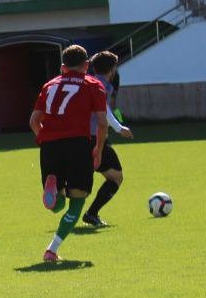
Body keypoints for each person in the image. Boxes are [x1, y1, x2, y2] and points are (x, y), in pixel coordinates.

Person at [30, 44, 109, 263]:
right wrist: (98, 149)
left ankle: (54, 194)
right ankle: (51, 250)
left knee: (58, 206)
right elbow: (102, 123)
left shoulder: (49, 85)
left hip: (50, 145)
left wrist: (44, 141)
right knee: (78, 200)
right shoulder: (93, 85)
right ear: (86, 65)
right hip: (78, 145)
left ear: (63, 68)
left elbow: (34, 121)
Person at [82, 51, 133, 228]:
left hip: (78, 137)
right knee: (116, 177)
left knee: (81, 180)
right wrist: (120, 128)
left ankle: (59, 187)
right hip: (95, 137)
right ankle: (91, 213)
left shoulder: (85, 81)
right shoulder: (101, 85)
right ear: (111, 69)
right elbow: (103, 109)